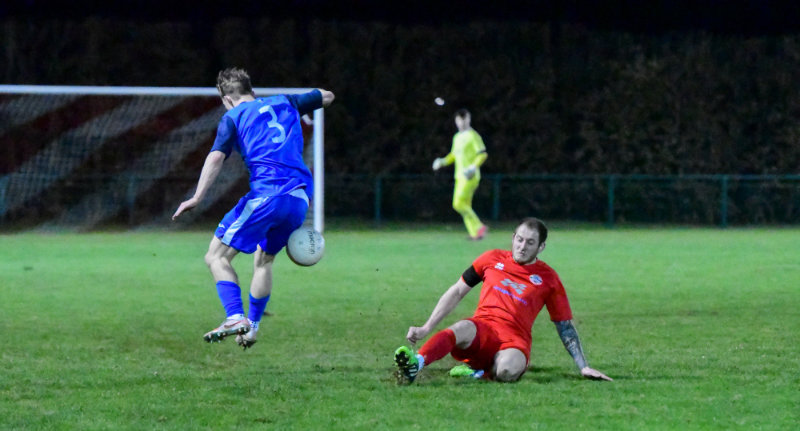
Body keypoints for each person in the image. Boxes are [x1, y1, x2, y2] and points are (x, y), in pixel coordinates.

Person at [172, 67, 334, 349]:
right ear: (252, 91)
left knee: (215, 256)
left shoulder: (232, 117)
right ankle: (252, 328)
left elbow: (216, 158)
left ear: (226, 99)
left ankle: (235, 317)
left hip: (267, 196)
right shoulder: (285, 102)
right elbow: (327, 96)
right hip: (298, 200)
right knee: (264, 260)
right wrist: (304, 100)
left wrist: (197, 196)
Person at [393, 217, 612, 384]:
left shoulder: (549, 279)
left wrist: (583, 366)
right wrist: (426, 327)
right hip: (482, 329)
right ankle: (416, 364)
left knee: (506, 371)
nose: (522, 246)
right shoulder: (492, 258)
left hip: (514, 341)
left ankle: (478, 373)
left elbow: (564, 326)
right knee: (461, 327)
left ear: (541, 247)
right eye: (519, 239)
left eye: (530, 242)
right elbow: (458, 290)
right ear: (513, 238)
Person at [432, 109, 488, 240]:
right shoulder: (457, 137)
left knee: (458, 203)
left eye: (464, 119)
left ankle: (479, 226)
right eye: (459, 120)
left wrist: (473, 167)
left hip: (470, 176)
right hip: (459, 176)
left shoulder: (473, 136)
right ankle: (475, 234)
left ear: (469, 119)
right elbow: (454, 155)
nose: (462, 122)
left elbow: (482, 154)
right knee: (465, 205)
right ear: (456, 121)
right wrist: (442, 161)